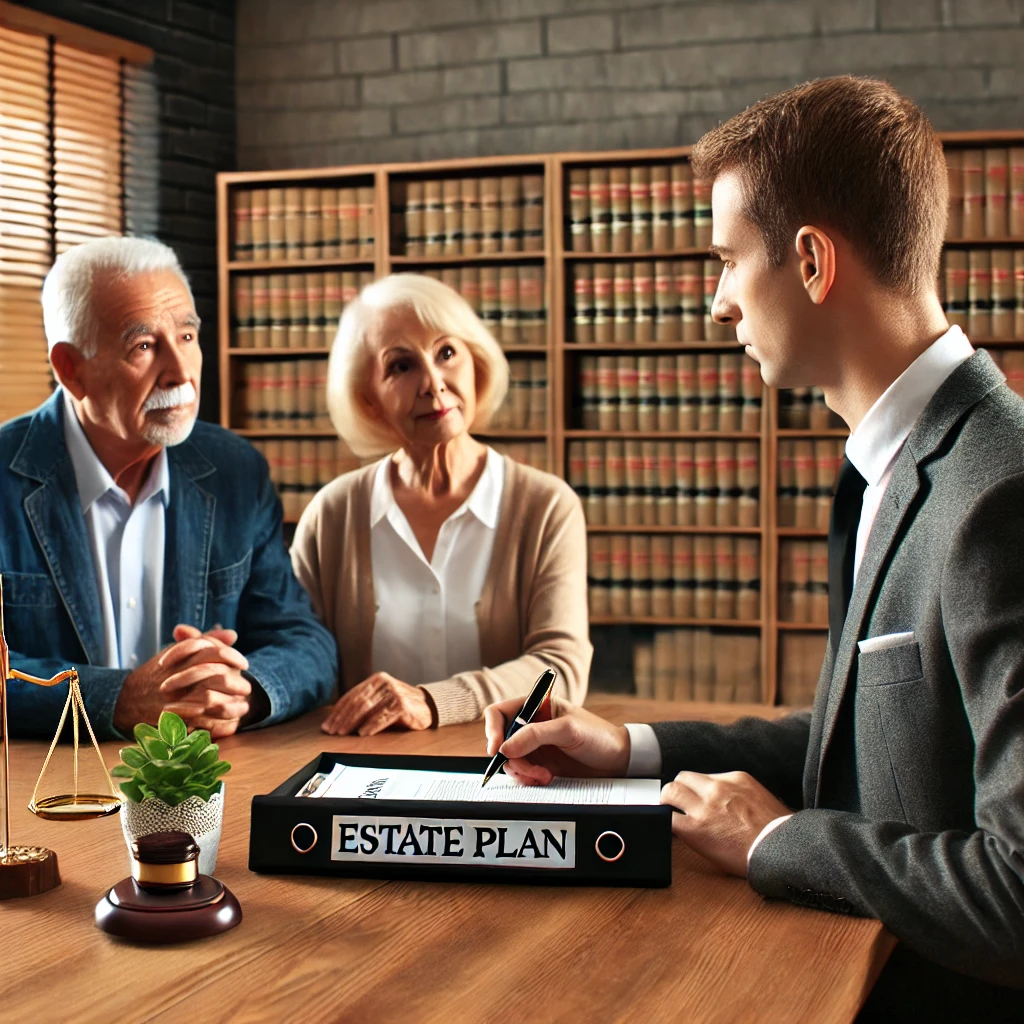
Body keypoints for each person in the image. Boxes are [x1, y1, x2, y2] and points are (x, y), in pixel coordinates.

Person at [485, 77, 1024, 1016]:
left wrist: (779, 843)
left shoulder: (1001, 494)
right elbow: (874, 745)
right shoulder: (884, 467)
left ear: (812, 261)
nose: (717, 304)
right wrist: (628, 749)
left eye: (728, 260)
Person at [0, 236, 336, 740]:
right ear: (71, 368)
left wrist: (239, 690)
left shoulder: (234, 470)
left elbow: (304, 641)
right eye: (143, 346)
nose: (181, 374)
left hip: (204, 783)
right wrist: (117, 699)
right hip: (48, 796)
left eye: (186, 337)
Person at [291, 273, 590, 736]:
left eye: (446, 353)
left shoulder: (547, 506)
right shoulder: (332, 515)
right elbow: (297, 653)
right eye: (401, 366)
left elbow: (560, 671)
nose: (433, 383)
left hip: (505, 771)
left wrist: (435, 701)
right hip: (371, 775)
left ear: (475, 362)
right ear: (368, 399)